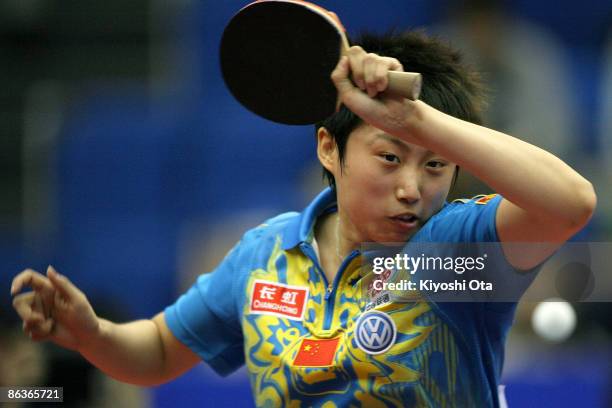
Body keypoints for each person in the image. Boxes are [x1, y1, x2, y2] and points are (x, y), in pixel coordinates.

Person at [10, 30, 596, 407]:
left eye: (437, 167)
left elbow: (571, 203)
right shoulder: (263, 255)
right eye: (389, 158)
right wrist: (94, 335)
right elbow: (161, 351)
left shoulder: (454, 252)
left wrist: (417, 122)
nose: (413, 189)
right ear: (328, 150)